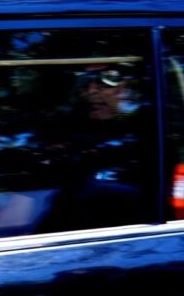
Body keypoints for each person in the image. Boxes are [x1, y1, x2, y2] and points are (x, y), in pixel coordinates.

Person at [36, 62, 152, 231]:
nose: (91, 91)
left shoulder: (155, 135)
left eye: (106, 80)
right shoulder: (66, 134)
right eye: (85, 81)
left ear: (130, 87)